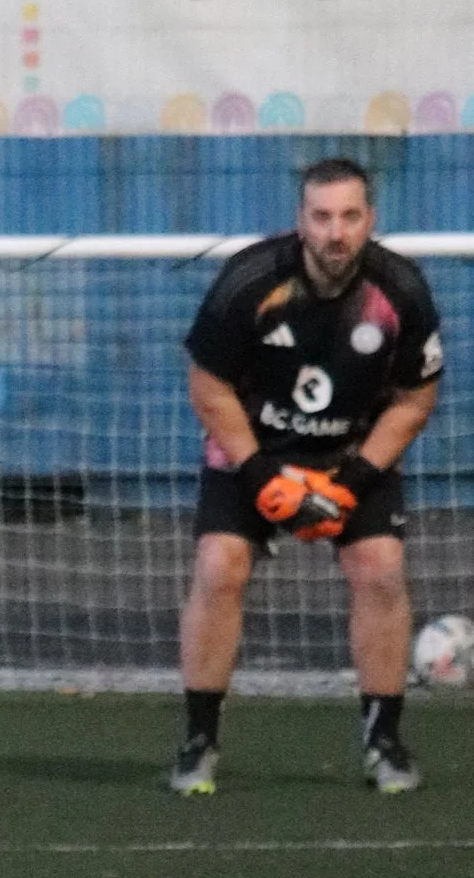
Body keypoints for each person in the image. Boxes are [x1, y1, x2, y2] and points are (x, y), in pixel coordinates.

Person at [168, 156, 446, 799]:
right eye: (321, 217)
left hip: (354, 453)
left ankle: (384, 740)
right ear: (301, 221)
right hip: (252, 451)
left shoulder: (400, 291)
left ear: (370, 220)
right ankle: (198, 740)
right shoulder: (249, 283)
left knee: (379, 569)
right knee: (219, 567)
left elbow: (415, 398)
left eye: (350, 216)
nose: (335, 232)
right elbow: (208, 388)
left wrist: (352, 479)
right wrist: (262, 473)